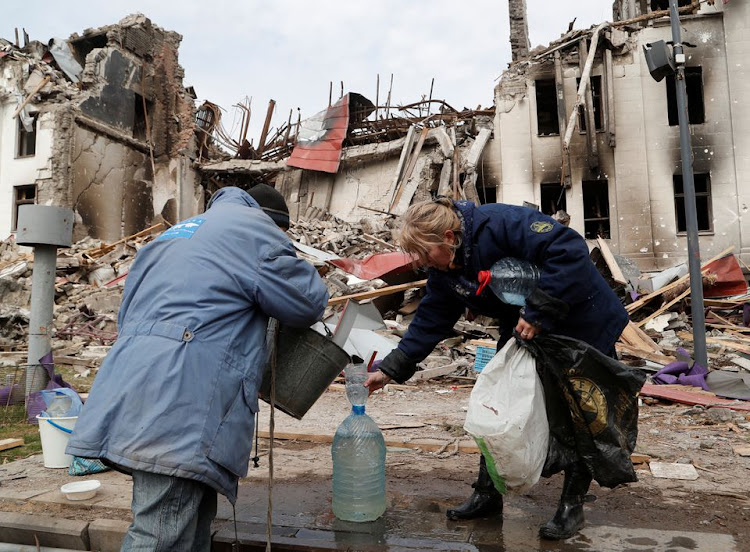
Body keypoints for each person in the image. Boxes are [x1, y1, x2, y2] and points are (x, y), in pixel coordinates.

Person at [66, 185, 329, 551]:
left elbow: (129, 314)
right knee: (160, 533)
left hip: (134, 385)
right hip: (182, 399)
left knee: (188, 525)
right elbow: (306, 302)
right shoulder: (255, 230)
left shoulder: (172, 235)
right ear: (275, 224)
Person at [365, 197, 629, 541]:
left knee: (580, 412)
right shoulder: (446, 270)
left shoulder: (500, 224)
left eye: (425, 253)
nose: (423, 263)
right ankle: (488, 494)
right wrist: (390, 369)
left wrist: (538, 311)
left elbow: (569, 250)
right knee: (497, 404)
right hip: (523, 324)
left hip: (579, 320)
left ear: (448, 236)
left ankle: (571, 504)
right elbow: (431, 317)